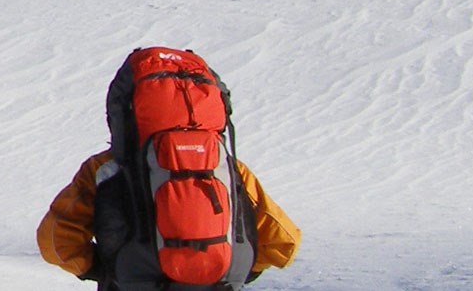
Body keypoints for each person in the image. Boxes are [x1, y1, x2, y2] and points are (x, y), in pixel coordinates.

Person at [37, 46, 301, 290]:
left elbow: (55, 241)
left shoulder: (104, 168)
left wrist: (100, 269)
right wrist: (235, 269)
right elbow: (284, 241)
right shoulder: (231, 170)